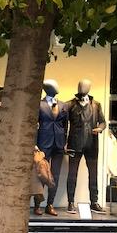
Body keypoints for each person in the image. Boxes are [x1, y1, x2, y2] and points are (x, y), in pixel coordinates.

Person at [66, 79, 106, 213]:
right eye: (80, 85)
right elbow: (63, 124)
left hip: (91, 144)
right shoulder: (70, 104)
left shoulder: (96, 105)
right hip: (74, 144)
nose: (81, 88)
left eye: (84, 86)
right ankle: (70, 202)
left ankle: (94, 201)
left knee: (93, 174)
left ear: (89, 88)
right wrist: (64, 142)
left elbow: (103, 122)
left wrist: (100, 128)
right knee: (72, 174)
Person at [35, 79, 68, 216]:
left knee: (55, 175)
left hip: (58, 144)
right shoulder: (39, 105)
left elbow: (65, 125)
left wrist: (65, 141)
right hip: (43, 143)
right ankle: (37, 205)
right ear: (47, 88)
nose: (57, 87)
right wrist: (35, 144)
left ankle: (50, 204)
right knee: (41, 174)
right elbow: (33, 125)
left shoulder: (63, 105)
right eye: (54, 86)